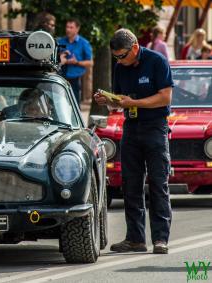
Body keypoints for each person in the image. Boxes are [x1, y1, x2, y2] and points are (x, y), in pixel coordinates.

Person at [94, 28, 173, 254]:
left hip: (155, 127)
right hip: (131, 128)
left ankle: (160, 239)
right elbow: (121, 102)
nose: (119, 61)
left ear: (135, 48)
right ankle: (135, 238)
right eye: (116, 57)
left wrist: (133, 104)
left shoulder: (157, 61)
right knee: (130, 184)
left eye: (122, 56)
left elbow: (165, 97)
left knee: (158, 183)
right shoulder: (121, 68)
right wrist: (108, 101)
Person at [56, 18, 93, 105]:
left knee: (74, 104)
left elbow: (90, 63)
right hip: (61, 77)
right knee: (59, 104)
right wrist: (60, 57)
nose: (68, 29)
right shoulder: (60, 41)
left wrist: (76, 62)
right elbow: (54, 59)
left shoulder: (84, 43)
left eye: (71, 27)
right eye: (67, 27)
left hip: (75, 79)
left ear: (77, 28)